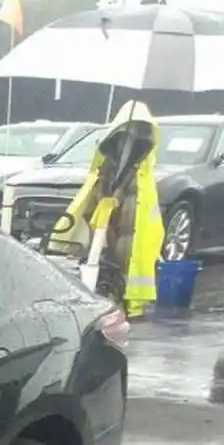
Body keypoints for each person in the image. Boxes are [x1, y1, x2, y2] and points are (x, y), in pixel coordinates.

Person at [46, 101, 164, 316]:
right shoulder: (114, 153)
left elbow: (137, 196)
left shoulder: (140, 162)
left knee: (127, 257)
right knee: (105, 254)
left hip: (131, 218)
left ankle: (125, 300)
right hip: (112, 215)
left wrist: (114, 198)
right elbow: (103, 180)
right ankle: (110, 296)